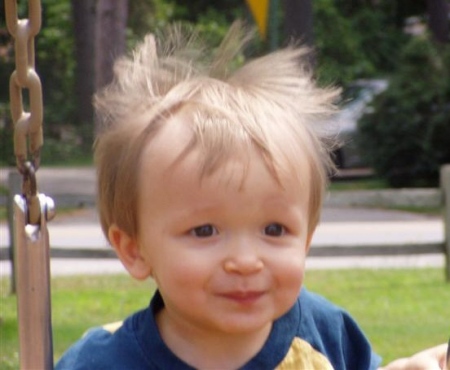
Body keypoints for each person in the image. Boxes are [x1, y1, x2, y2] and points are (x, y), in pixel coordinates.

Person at [56, 23, 448, 370]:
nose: (245, 261)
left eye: (275, 229)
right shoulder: (100, 362)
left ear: (306, 239)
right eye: (205, 230)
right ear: (134, 250)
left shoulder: (324, 335)